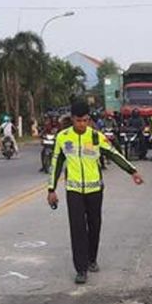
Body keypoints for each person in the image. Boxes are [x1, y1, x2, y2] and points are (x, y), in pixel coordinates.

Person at [47, 100, 144, 284]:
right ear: (72, 119)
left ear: (89, 120)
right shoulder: (63, 137)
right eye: (78, 121)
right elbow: (56, 164)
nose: (81, 124)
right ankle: (81, 269)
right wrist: (51, 189)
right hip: (74, 190)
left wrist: (132, 171)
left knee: (94, 225)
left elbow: (114, 154)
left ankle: (92, 259)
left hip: (94, 190)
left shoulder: (96, 137)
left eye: (85, 120)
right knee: (77, 229)